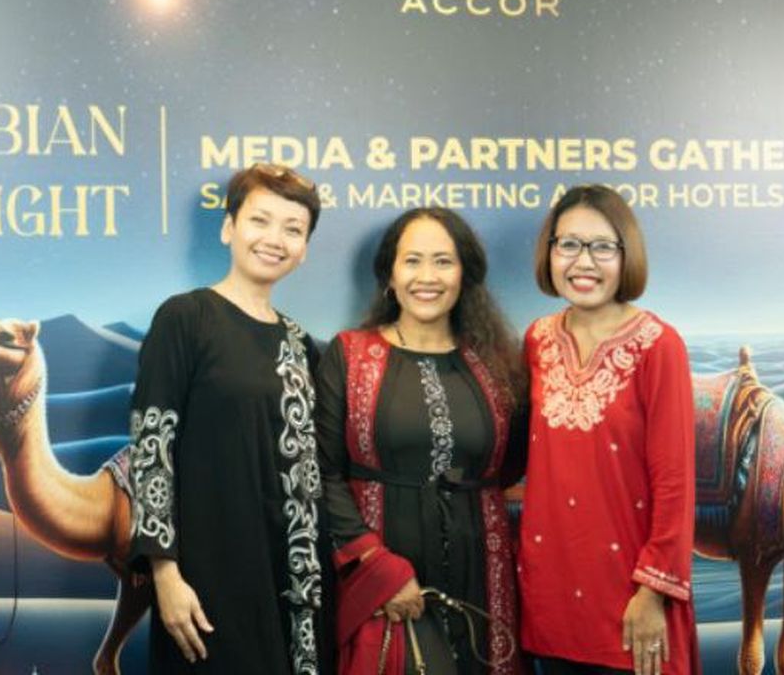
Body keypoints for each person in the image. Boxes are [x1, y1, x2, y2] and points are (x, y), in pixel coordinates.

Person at [126, 163, 330, 674]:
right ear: (228, 228)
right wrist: (165, 575)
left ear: (304, 249)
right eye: (260, 220)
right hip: (208, 577)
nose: (275, 239)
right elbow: (151, 447)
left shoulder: (301, 344)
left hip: (294, 579)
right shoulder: (186, 318)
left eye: (293, 229)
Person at [316, 207, 526, 675]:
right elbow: (323, 472)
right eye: (412, 261)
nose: (427, 277)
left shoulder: (499, 364)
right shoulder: (349, 354)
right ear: (390, 274)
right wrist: (377, 568)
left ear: (464, 274)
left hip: (482, 577)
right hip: (382, 578)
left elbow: (510, 464)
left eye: (443, 261)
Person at [518, 185, 699, 675]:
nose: (584, 262)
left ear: (627, 255)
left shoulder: (658, 345)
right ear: (550, 252)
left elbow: (675, 481)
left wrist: (653, 591)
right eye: (569, 244)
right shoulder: (538, 340)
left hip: (633, 602)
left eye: (602, 246)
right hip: (552, 595)